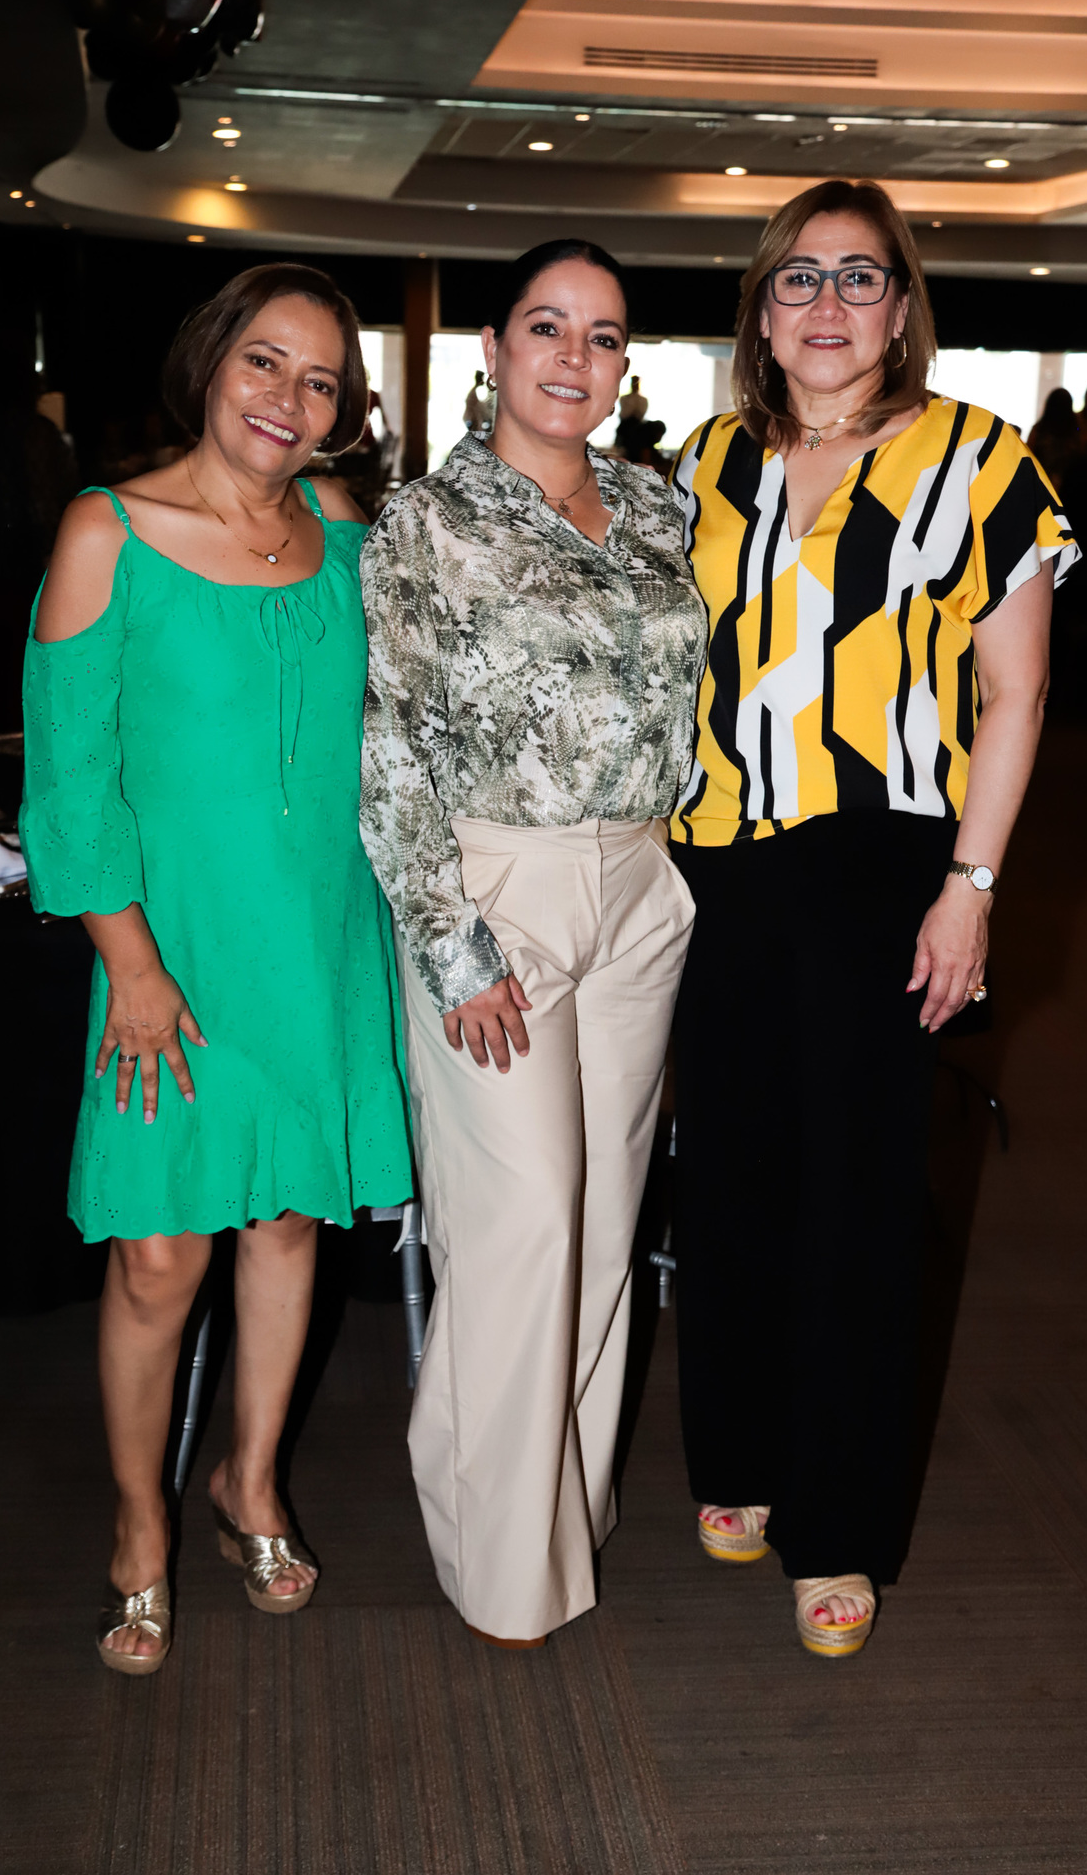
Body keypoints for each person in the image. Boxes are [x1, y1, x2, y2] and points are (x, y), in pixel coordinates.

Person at [668, 179, 1078, 1659]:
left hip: (883, 865)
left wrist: (972, 886)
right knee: (727, 1178)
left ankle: (836, 1529)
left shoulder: (980, 458)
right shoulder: (708, 461)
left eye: (859, 274)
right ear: (760, 310)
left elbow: (1015, 693)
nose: (828, 302)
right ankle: (738, 1454)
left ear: (901, 306)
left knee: (855, 1198)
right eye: (799, 276)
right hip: (714, 867)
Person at [20, 264, 412, 1676]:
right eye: (264, 362)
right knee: (158, 1255)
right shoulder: (107, 531)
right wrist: (128, 966)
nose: (286, 399)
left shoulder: (344, 529)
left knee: (290, 1223)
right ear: (210, 362)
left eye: (320, 381)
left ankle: (250, 1483)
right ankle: (141, 1523)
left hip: (317, 943)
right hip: (168, 955)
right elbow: (70, 785)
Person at [359, 240, 706, 1648]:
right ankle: (498, 1562)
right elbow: (391, 743)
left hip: (640, 888)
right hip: (495, 886)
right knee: (520, 1227)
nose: (575, 357)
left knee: (606, 1226)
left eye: (603, 335)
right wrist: (451, 946)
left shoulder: (658, 503)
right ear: (494, 348)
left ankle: (564, 1505)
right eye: (547, 327)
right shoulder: (424, 522)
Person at [1026, 386, 1081, 493]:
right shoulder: (1075, 430)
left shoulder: (1039, 429)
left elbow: (1028, 454)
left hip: (1041, 482)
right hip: (1070, 486)